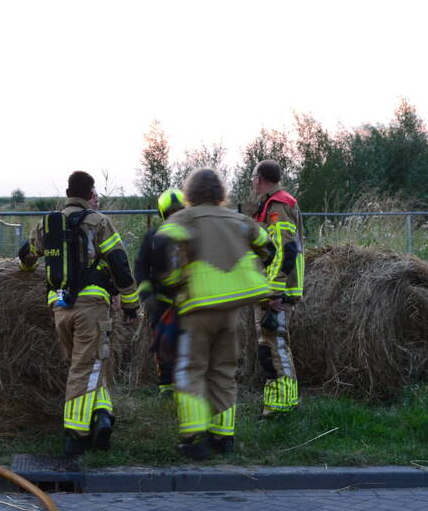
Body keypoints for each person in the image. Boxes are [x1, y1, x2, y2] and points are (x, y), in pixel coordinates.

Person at [18, 170, 141, 456]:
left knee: (87, 364)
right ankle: (76, 433)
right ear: (90, 194)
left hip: (60, 309)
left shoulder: (47, 224)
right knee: (86, 367)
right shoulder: (99, 222)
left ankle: (101, 416)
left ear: (67, 193)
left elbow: (25, 257)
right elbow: (120, 265)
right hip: (91, 308)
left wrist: (24, 269)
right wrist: (131, 304)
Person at [156, 168, 275, 460]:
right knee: (223, 371)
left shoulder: (181, 219)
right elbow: (268, 248)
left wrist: (173, 287)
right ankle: (224, 437)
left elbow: (166, 262)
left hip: (196, 309)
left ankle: (195, 438)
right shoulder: (239, 220)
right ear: (221, 192)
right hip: (230, 310)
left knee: (191, 370)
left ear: (190, 193)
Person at [251, 160, 305, 418]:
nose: (252, 182)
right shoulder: (268, 205)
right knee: (268, 348)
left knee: (276, 345)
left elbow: (286, 249)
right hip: (269, 290)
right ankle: (274, 406)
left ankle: (284, 406)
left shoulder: (279, 204)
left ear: (261, 179)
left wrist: (274, 291)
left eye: (253, 177)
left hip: (277, 293)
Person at [133, 188, 186, 397]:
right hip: (162, 302)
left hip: (188, 302)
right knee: (164, 346)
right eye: (172, 212)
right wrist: (147, 295)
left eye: (178, 211)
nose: (176, 215)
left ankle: (184, 384)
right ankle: (166, 387)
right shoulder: (153, 237)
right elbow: (141, 266)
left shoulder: (193, 234)